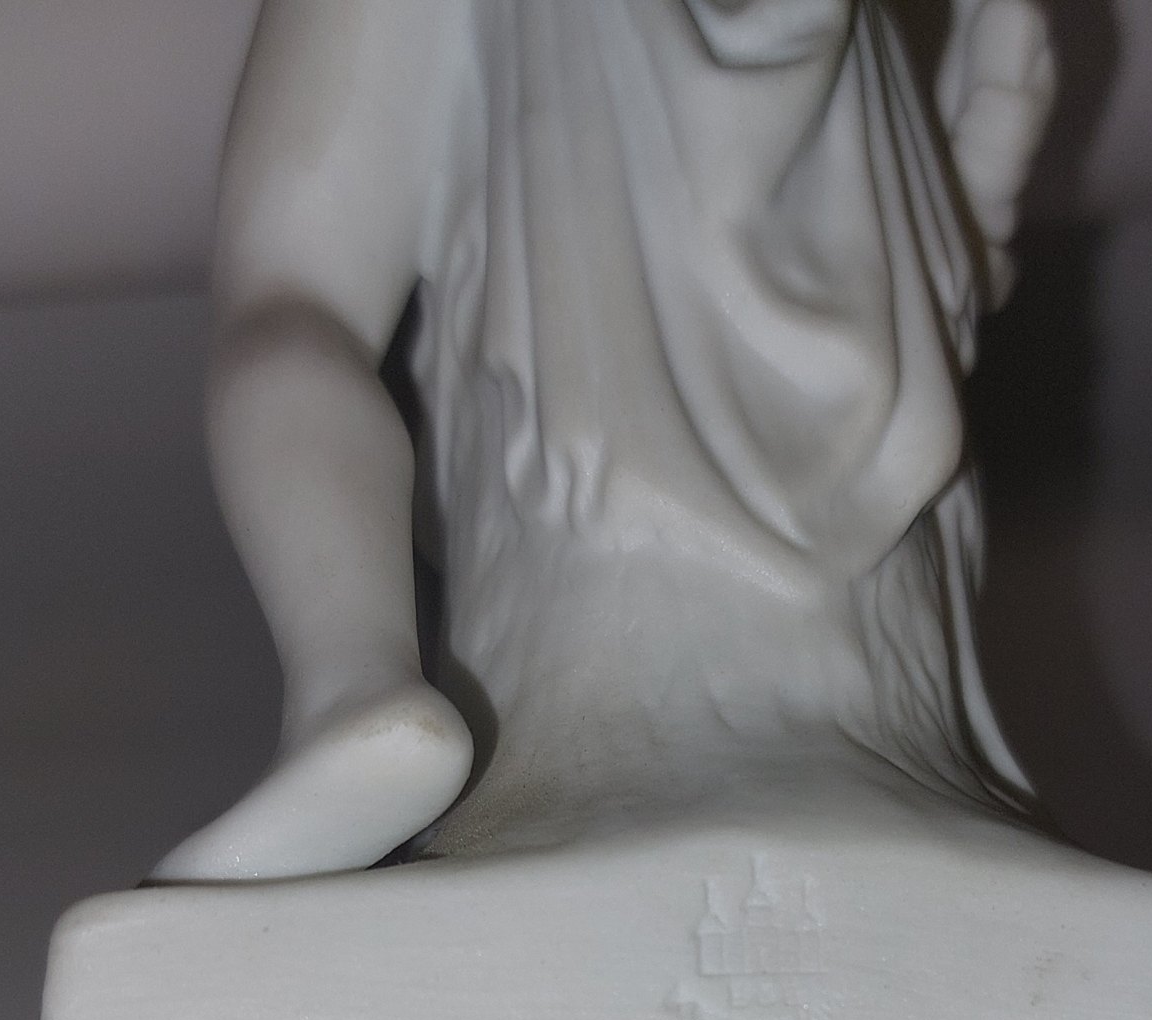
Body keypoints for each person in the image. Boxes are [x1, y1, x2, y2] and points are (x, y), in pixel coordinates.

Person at [152, 0, 1056, 882]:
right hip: (890, 719)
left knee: (289, 298)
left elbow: (299, 305)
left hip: (578, 687)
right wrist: (985, 157)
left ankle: (353, 688)